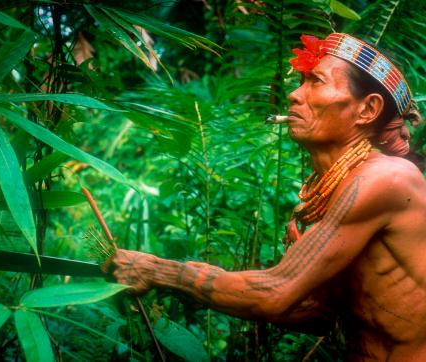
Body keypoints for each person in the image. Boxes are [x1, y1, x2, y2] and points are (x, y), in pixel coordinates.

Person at [110, 33, 426, 361]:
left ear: (368, 109)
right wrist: (177, 283)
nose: (293, 95)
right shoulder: (330, 190)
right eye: (300, 81)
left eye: (315, 81)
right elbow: (316, 312)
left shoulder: (386, 179)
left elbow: (275, 293)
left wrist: (161, 272)